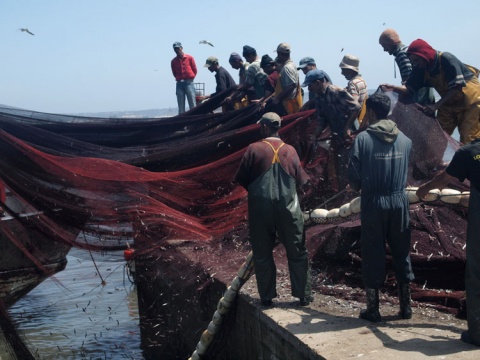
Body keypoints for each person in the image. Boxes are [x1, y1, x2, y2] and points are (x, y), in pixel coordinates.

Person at [348, 92, 415, 322]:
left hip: (374, 202)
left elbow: (354, 178)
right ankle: (406, 308)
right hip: (399, 201)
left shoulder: (363, 139)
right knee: (401, 251)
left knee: (373, 252)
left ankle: (373, 309)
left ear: (372, 112)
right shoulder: (405, 139)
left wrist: (361, 187)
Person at [234, 112, 313, 307]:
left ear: (264, 127)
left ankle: (267, 298)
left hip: (260, 209)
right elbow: (302, 181)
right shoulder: (290, 151)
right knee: (297, 250)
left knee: (262, 253)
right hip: (289, 209)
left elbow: (242, 178)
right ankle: (303, 296)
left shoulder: (254, 149)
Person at [416, 137, 480, 345]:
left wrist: (424, 189)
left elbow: (444, 178)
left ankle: (477, 333)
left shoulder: (469, 152)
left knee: (476, 274)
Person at [381, 39, 480, 145]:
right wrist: (393, 88)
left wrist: (436, 106)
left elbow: (457, 88)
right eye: (413, 61)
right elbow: (408, 88)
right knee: (436, 137)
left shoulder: (446, 59)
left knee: (469, 140)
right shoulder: (420, 68)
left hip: (471, 103)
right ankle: (438, 161)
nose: (416, 64)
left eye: (417, 60)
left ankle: (472, 161)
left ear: (424, 54)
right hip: (448, 104)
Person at [302, 69, 360, 190]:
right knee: (340, 166)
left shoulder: (336, 92)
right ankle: (344, 193)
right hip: (337, 136)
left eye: (310, 85)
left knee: (353, 165)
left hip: (351, 135)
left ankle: (355, 192)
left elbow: (356, 107)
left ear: (318, 82)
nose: (309, 89)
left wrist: (347, 128)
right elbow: (322, 120)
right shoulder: (318, 99)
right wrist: (315, 136)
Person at [378, 29, 435, 106]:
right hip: (427, 96)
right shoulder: (407, 50)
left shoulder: (401, 54)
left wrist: (394, 89)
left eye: (385, 46)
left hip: (419, 98)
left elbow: (408, 80)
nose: (385, 50)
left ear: (390, 42)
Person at [272, 43, 303, 115]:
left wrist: (277, 98)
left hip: (289, 105)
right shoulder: (292, 65)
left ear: (280, 54)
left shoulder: (287, 68)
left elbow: (292, 85)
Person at [339, 54, 368, 127]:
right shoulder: (361, 80)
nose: (342, 73)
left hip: (355, 121)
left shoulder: (352, 83)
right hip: (362, 118)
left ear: (350, 70)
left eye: (343, 70)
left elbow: (354, 105)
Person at [170, 41, 197, 114]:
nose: (177, 50)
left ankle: (194, 121)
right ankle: (182, 122)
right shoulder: (173, 61)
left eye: (178, 48)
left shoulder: (190, 58)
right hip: (179, 84)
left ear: (181, 48)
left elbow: (194, 69)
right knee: (181, 105)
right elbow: (174, 72)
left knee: (192, 104)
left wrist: (190, 77)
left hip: (189, 83)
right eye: (175, 49)